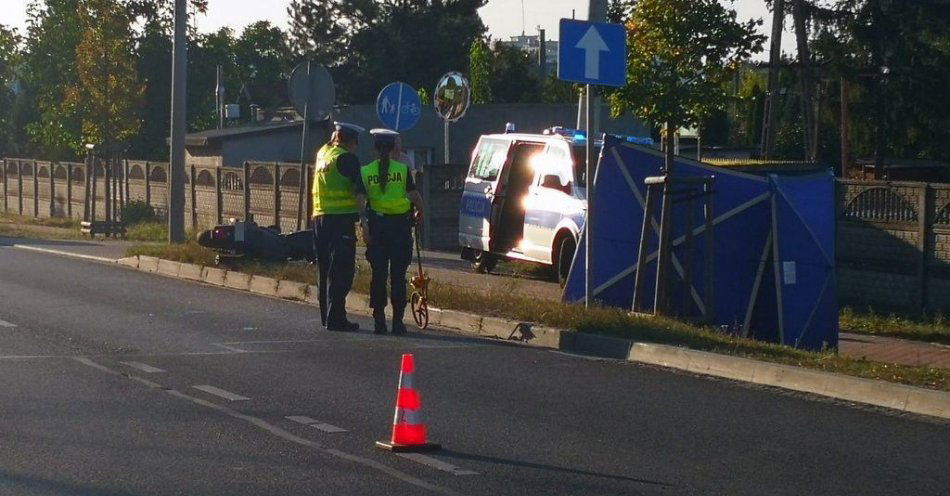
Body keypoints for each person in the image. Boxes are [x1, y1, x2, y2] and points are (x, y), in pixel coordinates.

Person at [357, 129, 425, 335]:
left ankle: (379, 320)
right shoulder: (403, 170)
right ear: (394, 147)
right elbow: (414, 195)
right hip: (400, 229)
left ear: (376, 149)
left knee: (378, 275)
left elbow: (360, 201)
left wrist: (364, 225)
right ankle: (397, 322)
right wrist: (421, 211)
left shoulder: (366, 171)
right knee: (398, 276)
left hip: (378, 228)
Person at [312, 122, 365, 332]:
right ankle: (337, 318)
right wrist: (365, 219)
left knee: (324, 268)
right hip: (340, 221)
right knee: (341, 270)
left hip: (319, 218)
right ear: (351, 141)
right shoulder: (346, 158)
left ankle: (326, 316)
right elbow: (360, 192)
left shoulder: (323, 154)